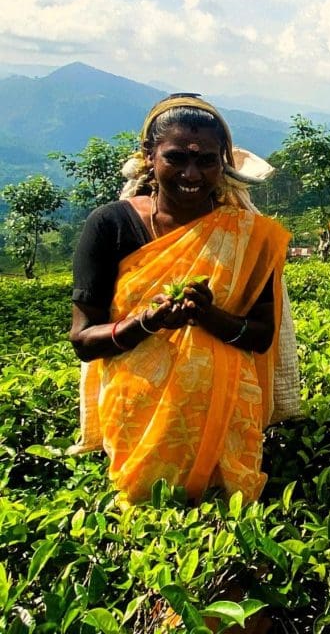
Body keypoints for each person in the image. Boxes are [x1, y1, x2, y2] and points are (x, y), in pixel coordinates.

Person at [69, 93, 292, 504]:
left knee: (227, 522)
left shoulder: (250, 237)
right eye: (176, 158)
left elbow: (261, 336)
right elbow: (83, 340)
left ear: (223, 162)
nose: (192, 173)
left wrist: (208, 316)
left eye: (206, 160)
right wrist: (146, 322)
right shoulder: (109, 225)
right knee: (145, 517)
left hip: (225, 417)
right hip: (138, 416)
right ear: (149, 157)